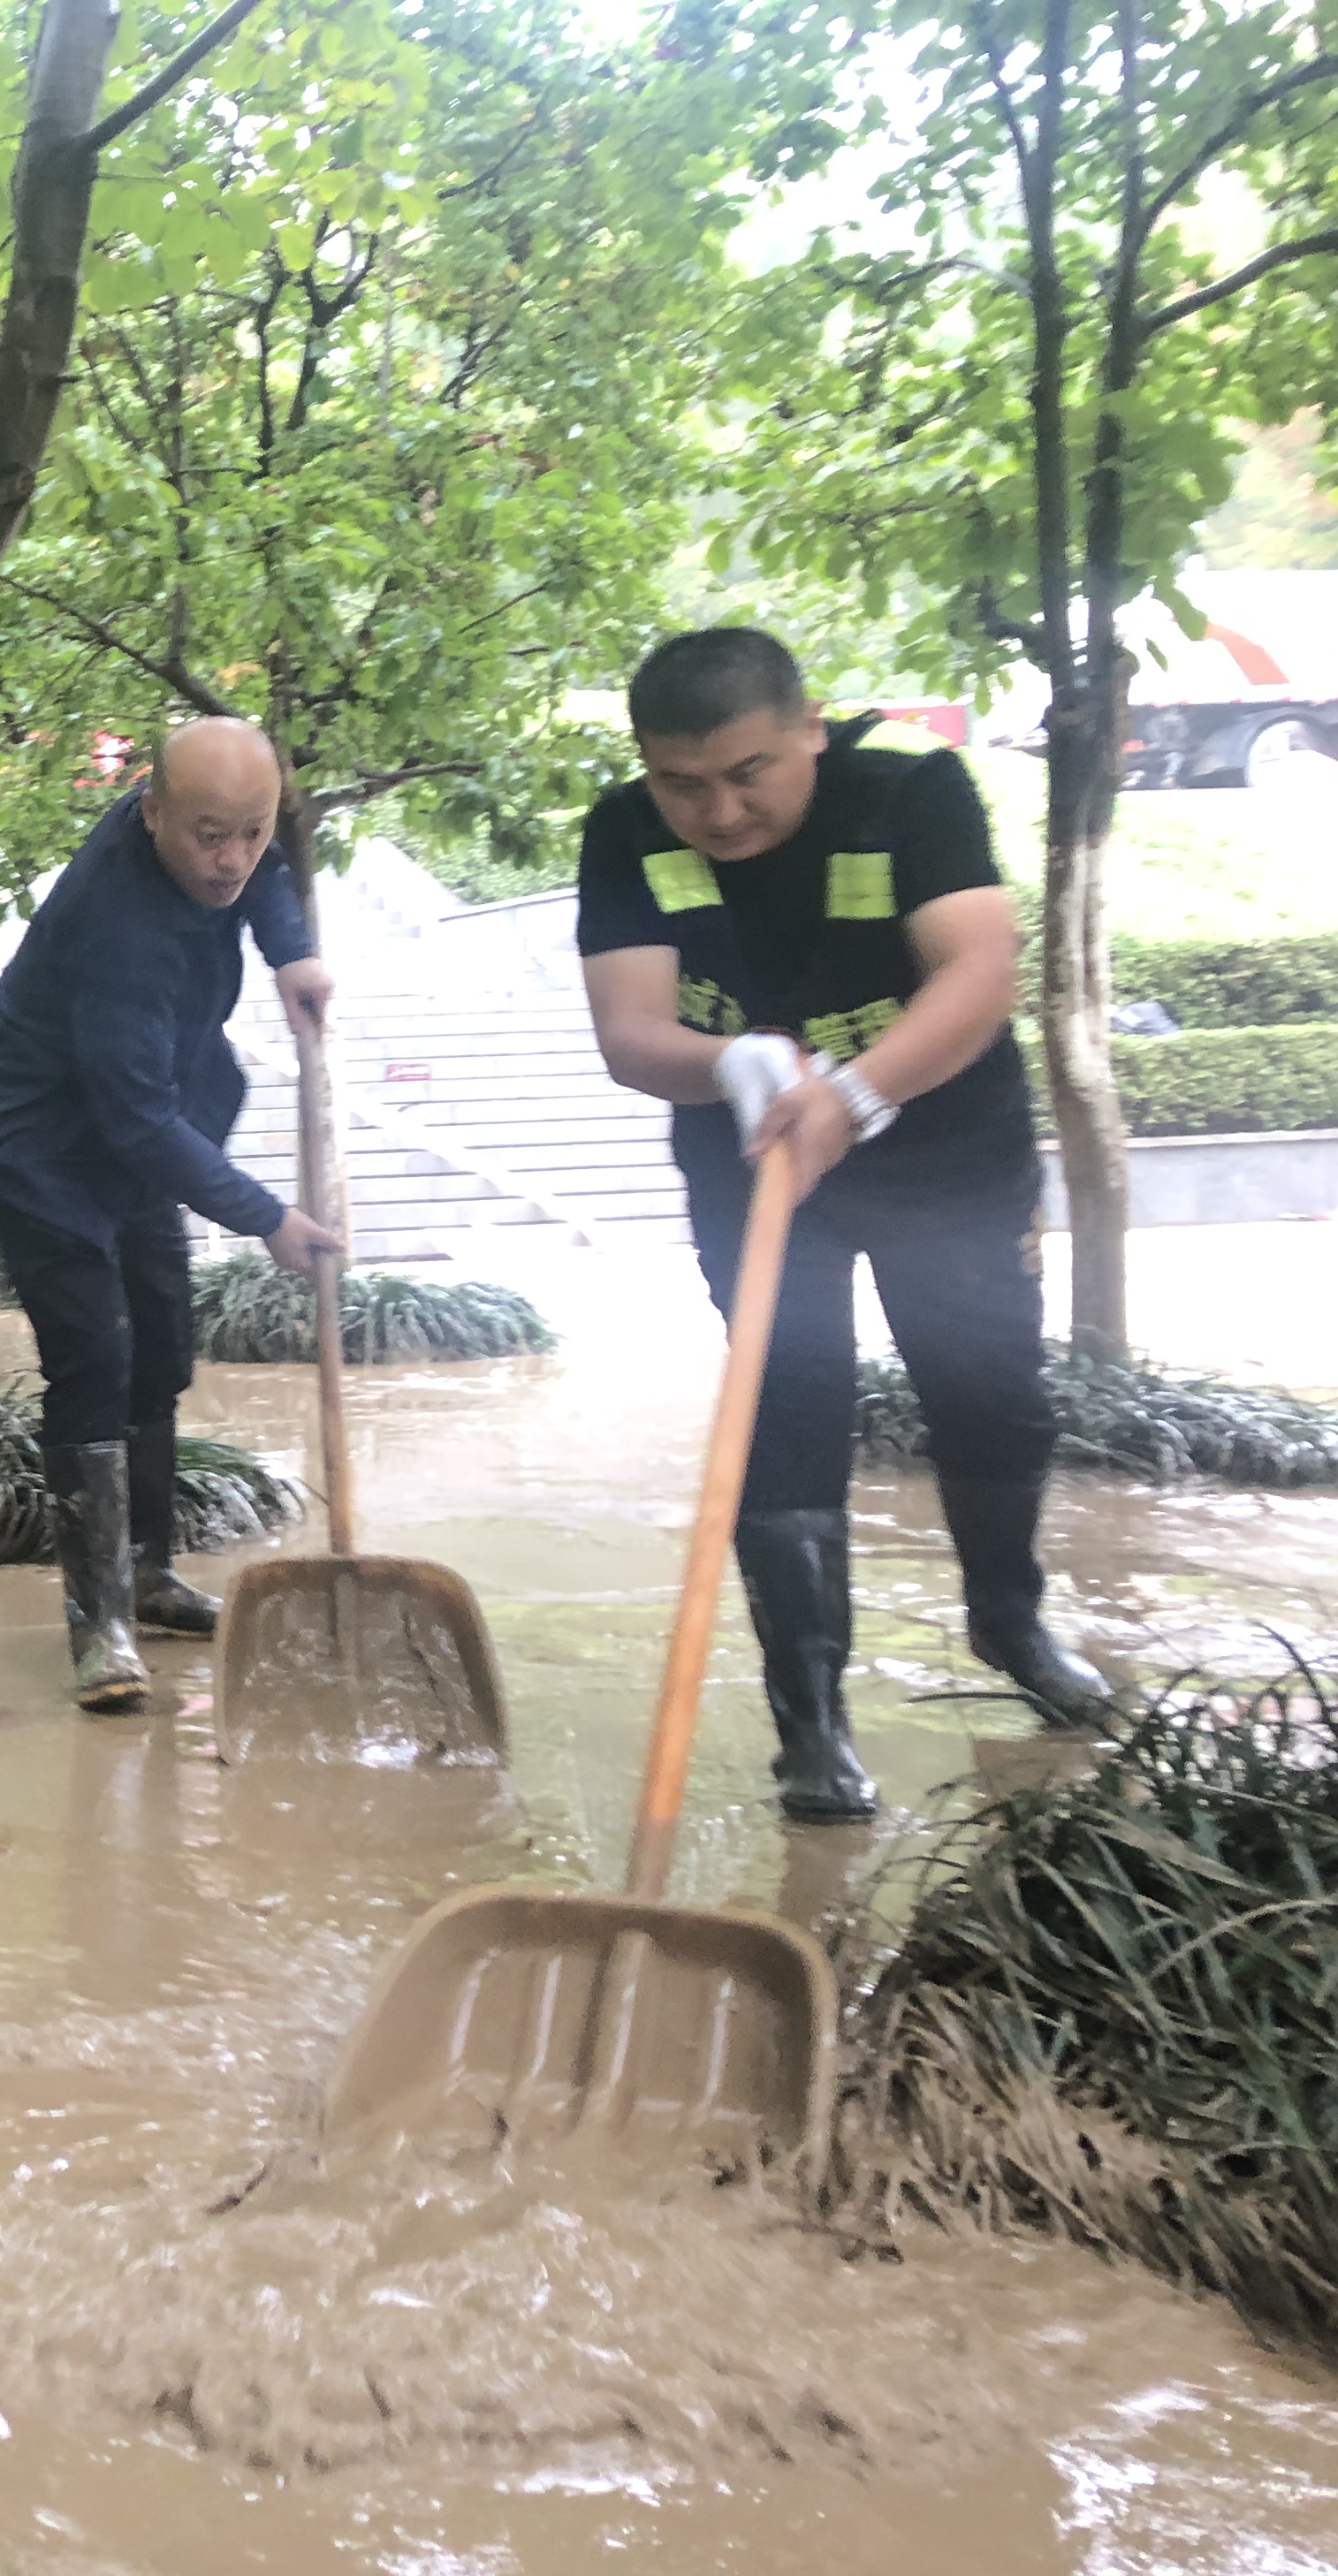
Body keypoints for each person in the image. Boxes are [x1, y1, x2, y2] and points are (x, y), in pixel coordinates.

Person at [576, 627, 1112, 1823]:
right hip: (756, 1150)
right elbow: (630, 1030)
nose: (719, 812)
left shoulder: (910, 789)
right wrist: (732, 1065)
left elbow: (978, 972)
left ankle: (1010, 1623)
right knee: (787, 1396)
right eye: (683, 784)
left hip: (943, 1140)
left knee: (988, 1386)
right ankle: (811, 1723)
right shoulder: (623, 830)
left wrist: (857, 1095)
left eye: (749, 772)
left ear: (810, 730)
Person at [0, 718, 339, 1714]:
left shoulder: (230, 846)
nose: (232, 860)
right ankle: (100, 1625)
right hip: (43, 1142)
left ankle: (149, 1573)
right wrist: (266, 1217)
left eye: (252, 831)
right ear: (152, 809)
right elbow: (134, 1120)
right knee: (96, 1354)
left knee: (161, 1349)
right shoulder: (118, 923)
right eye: (211, 836)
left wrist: (292, 953)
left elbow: (267, 876)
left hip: (140, 1122)